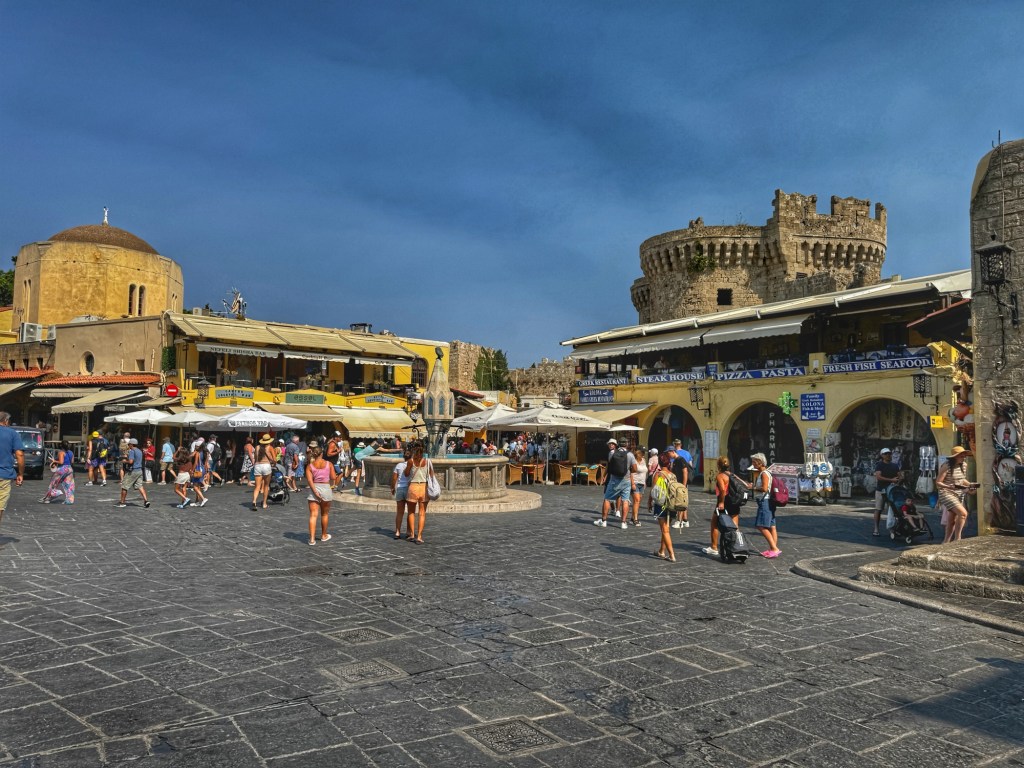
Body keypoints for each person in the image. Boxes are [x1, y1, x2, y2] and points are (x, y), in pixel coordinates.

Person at [594, 438, 636, 528]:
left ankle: (604, 521)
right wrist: (629, 470)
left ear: (618, 444)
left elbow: (609, 465)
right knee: (625, 500)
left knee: (607, 499)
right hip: (626, 480)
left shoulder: (612, 453)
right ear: (627, 444)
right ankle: (623, 523)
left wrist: (604, 476)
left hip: (614, 479)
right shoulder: (630, 455)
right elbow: (635, 469)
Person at [938, 446, 976, 543]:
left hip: (958, 493)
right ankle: (957, 539)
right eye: (961, 456)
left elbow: (962, 480)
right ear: (955, 457)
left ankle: (946, 541)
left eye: (964, 456)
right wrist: (949, 486)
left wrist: (970, 485)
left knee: (952, 519)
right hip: (946, 493)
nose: (964, 458)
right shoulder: (946, 466)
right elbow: (938, 482)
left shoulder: (964, 465)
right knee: (963, 514)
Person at [706, 456, 741, 556]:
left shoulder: (720, 476)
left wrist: (721, 502)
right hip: (734, 502)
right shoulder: (733, 475)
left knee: (714, 523)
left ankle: (714, 547)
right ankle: (737, 546)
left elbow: (722, 490)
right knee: (735, 526)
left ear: (718, 465)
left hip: (724, 501)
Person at [747, 452, 780, 558]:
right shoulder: (766, 473)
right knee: (772, 526)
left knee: (761, 525)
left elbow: (764, 488)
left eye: (754, 462)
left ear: (760, 462)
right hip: (769, 501)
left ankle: (774, 548)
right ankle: (773, 549)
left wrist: (753, 487)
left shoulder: (764, 474)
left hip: (765, 501)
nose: (753, 464)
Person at [402, 440, 435, 544]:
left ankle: (412, 534)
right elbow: (431, 475)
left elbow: (406, 474)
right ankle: (419, 536)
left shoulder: (410, 461)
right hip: (424, 488)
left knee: (411, 512)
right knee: (422, 513)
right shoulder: (428, 461)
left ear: (413, 450)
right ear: (423, 450)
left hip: (413, 487)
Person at [304, 442, 337, 546]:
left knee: (313, 515)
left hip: (314, 488)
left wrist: (315, 492)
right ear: (322, 454)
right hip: (326, 488)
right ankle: (324, 535)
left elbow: (310, 481)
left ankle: (312, 539)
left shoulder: (310, 466)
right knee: (324, 514)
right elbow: (333, 477)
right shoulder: (329, 464)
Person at [647, 454, 676, 562]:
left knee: (665, 530)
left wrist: (649, 502)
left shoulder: (658, 474)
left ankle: (672, 555)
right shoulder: (673, 475)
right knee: (666, 529)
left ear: (659, 463)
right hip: (672, 504)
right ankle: (661, 551)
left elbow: (653, 490)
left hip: (661, 504)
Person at [0, 412, 24, 529]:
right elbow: (19, 455)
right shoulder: (12, 433)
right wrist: (20, 474)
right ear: (6, 421)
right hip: (3, 475)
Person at [872, 447, 903, 536]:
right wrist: (891, 480)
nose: (888, 455)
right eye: (886, 454)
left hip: (892, 491)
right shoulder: (879, 465)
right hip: (881, 490)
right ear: (882, 455)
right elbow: (878, 477)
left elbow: (899, 476)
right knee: (878, 509)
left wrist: (898, 480)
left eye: (889, 453)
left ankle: (891, 528)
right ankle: (876, 528)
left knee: (893, 510)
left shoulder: (895, 465)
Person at [117, 438, 151, 508]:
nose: (128, 445)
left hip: (133, 471)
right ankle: (146, 500)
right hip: (139, 470)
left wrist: (124, 461)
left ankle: (122, 502)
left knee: (124, 486)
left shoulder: (132, 451)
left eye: (129, 444)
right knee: (140, 486)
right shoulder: (139, 451)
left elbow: (131, 462)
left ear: (132, 444)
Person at [42, 440, 75, 504]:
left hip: (62, 469)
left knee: (53, 483)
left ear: (61, 446)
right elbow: (72, 462)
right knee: (69, 485)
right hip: (69, 468)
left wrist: (54, 461)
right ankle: (69, 500)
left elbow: (61, 462)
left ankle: (49, 498)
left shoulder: (61, 452)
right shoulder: (71, 452)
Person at [390, 449, 413, 539]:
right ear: (411, 456)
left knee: (399, 512)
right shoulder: (412, 465)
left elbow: (394, 478)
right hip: (409, 489)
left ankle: (397, 532)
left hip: (399, 489)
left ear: (403, 457)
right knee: (410, 512)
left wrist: (392, 488)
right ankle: (408, 531)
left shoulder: (398, 465)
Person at [670, 439, 692, 529]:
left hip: (681, 483)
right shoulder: (687, 453)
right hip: (683, 482)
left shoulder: (677, 458)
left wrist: (683, 485)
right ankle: (685, 520)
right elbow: (690, 465)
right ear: (681, 444)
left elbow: (684, 471)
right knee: (684, 500)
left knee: (679, 501)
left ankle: (679, 521)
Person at [252, 434, 276, 510]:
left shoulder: (257, 447)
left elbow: (255, 458)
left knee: (257, 486)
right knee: (266, 486)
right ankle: (264, 504)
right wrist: (273, 463)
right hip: (266, 466)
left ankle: (254, 501)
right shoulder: (270, 447)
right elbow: (274, 460)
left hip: (257, 466)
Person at [627, 444, 648, 527]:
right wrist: (632, 483)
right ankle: (636, 519)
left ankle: (632, 518)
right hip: (635, 482)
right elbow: (630, 473)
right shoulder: (633, 460)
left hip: (642, 483)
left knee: (638, 502)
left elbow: (644, 472)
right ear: (638, 452)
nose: (643, 454)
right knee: (636, 500)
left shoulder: (644, 460)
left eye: (644, 452)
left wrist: (645, 482)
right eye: (642, 452)